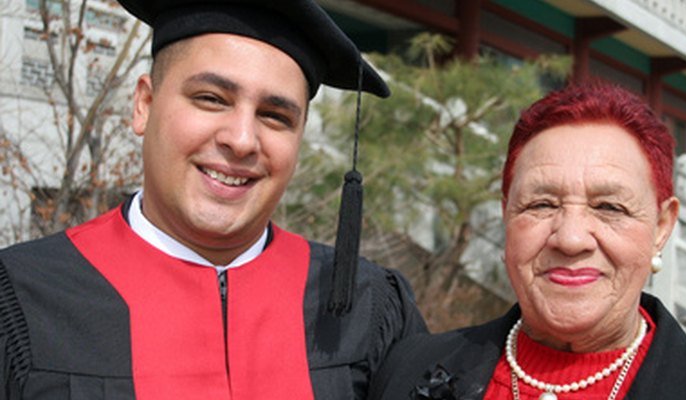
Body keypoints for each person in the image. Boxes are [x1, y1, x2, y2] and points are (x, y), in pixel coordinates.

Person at [0, 1, 426, 399]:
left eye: (275, 116)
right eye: (211, 99)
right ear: (143, 105)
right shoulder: (21, 300)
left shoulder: (366, 308)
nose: (241, 140)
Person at [366, 83, 686, 400]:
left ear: (662, 227)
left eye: (609, 207)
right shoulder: (407, 370)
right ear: (507, 215)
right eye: (541, 204)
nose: (570, 238)